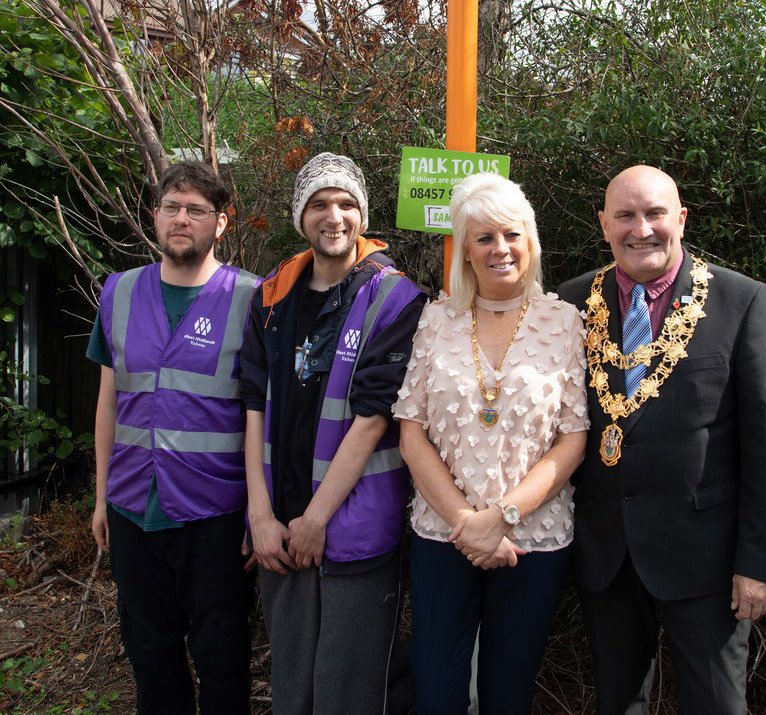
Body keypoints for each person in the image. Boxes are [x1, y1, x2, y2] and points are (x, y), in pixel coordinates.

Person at [557, 165, 766, 714]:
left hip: (708, 561)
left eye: (655, 213)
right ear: (604, 225)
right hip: (608, 556)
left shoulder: (740, 301)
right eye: (625, 215)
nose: (641, 229)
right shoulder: (572, 303)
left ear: (681, 219)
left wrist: (761, 562)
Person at [394, 172, 589, 714]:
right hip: (443, 534)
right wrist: (468, 524)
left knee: (508, 694)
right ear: (465, 250)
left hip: (533, 540)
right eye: (484, 237)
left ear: (531, 241)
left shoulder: (565, 322)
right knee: (437, 694)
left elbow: (573, 439)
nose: (500, 248)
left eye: (511, 234)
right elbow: (411, 431)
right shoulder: (437, 320)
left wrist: (502, 517)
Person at [240, 152, 425, 714]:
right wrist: (260, 516)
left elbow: (374, 417)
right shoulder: (270, 296)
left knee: (348, 692)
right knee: (292, 688)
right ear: (301, 215)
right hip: (279, 529)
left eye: (346, 203)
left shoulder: (394, 298)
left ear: (362, 215)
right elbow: (252, 404)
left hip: (354, 530)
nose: (334, 216)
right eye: (319, 203)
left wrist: (316, 519)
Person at [87, 160, 259, 713]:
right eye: (171, 207)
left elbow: (264, 417)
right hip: (132, 509)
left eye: (196, 210)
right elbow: (109, 402)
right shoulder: (119, 292)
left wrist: (258, 513)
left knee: (223, 660)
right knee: (151, 658)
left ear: (221, 223)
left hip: (215, 516)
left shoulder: (252, 299)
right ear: (155, 215)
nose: (181, 219)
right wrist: (101, 497)